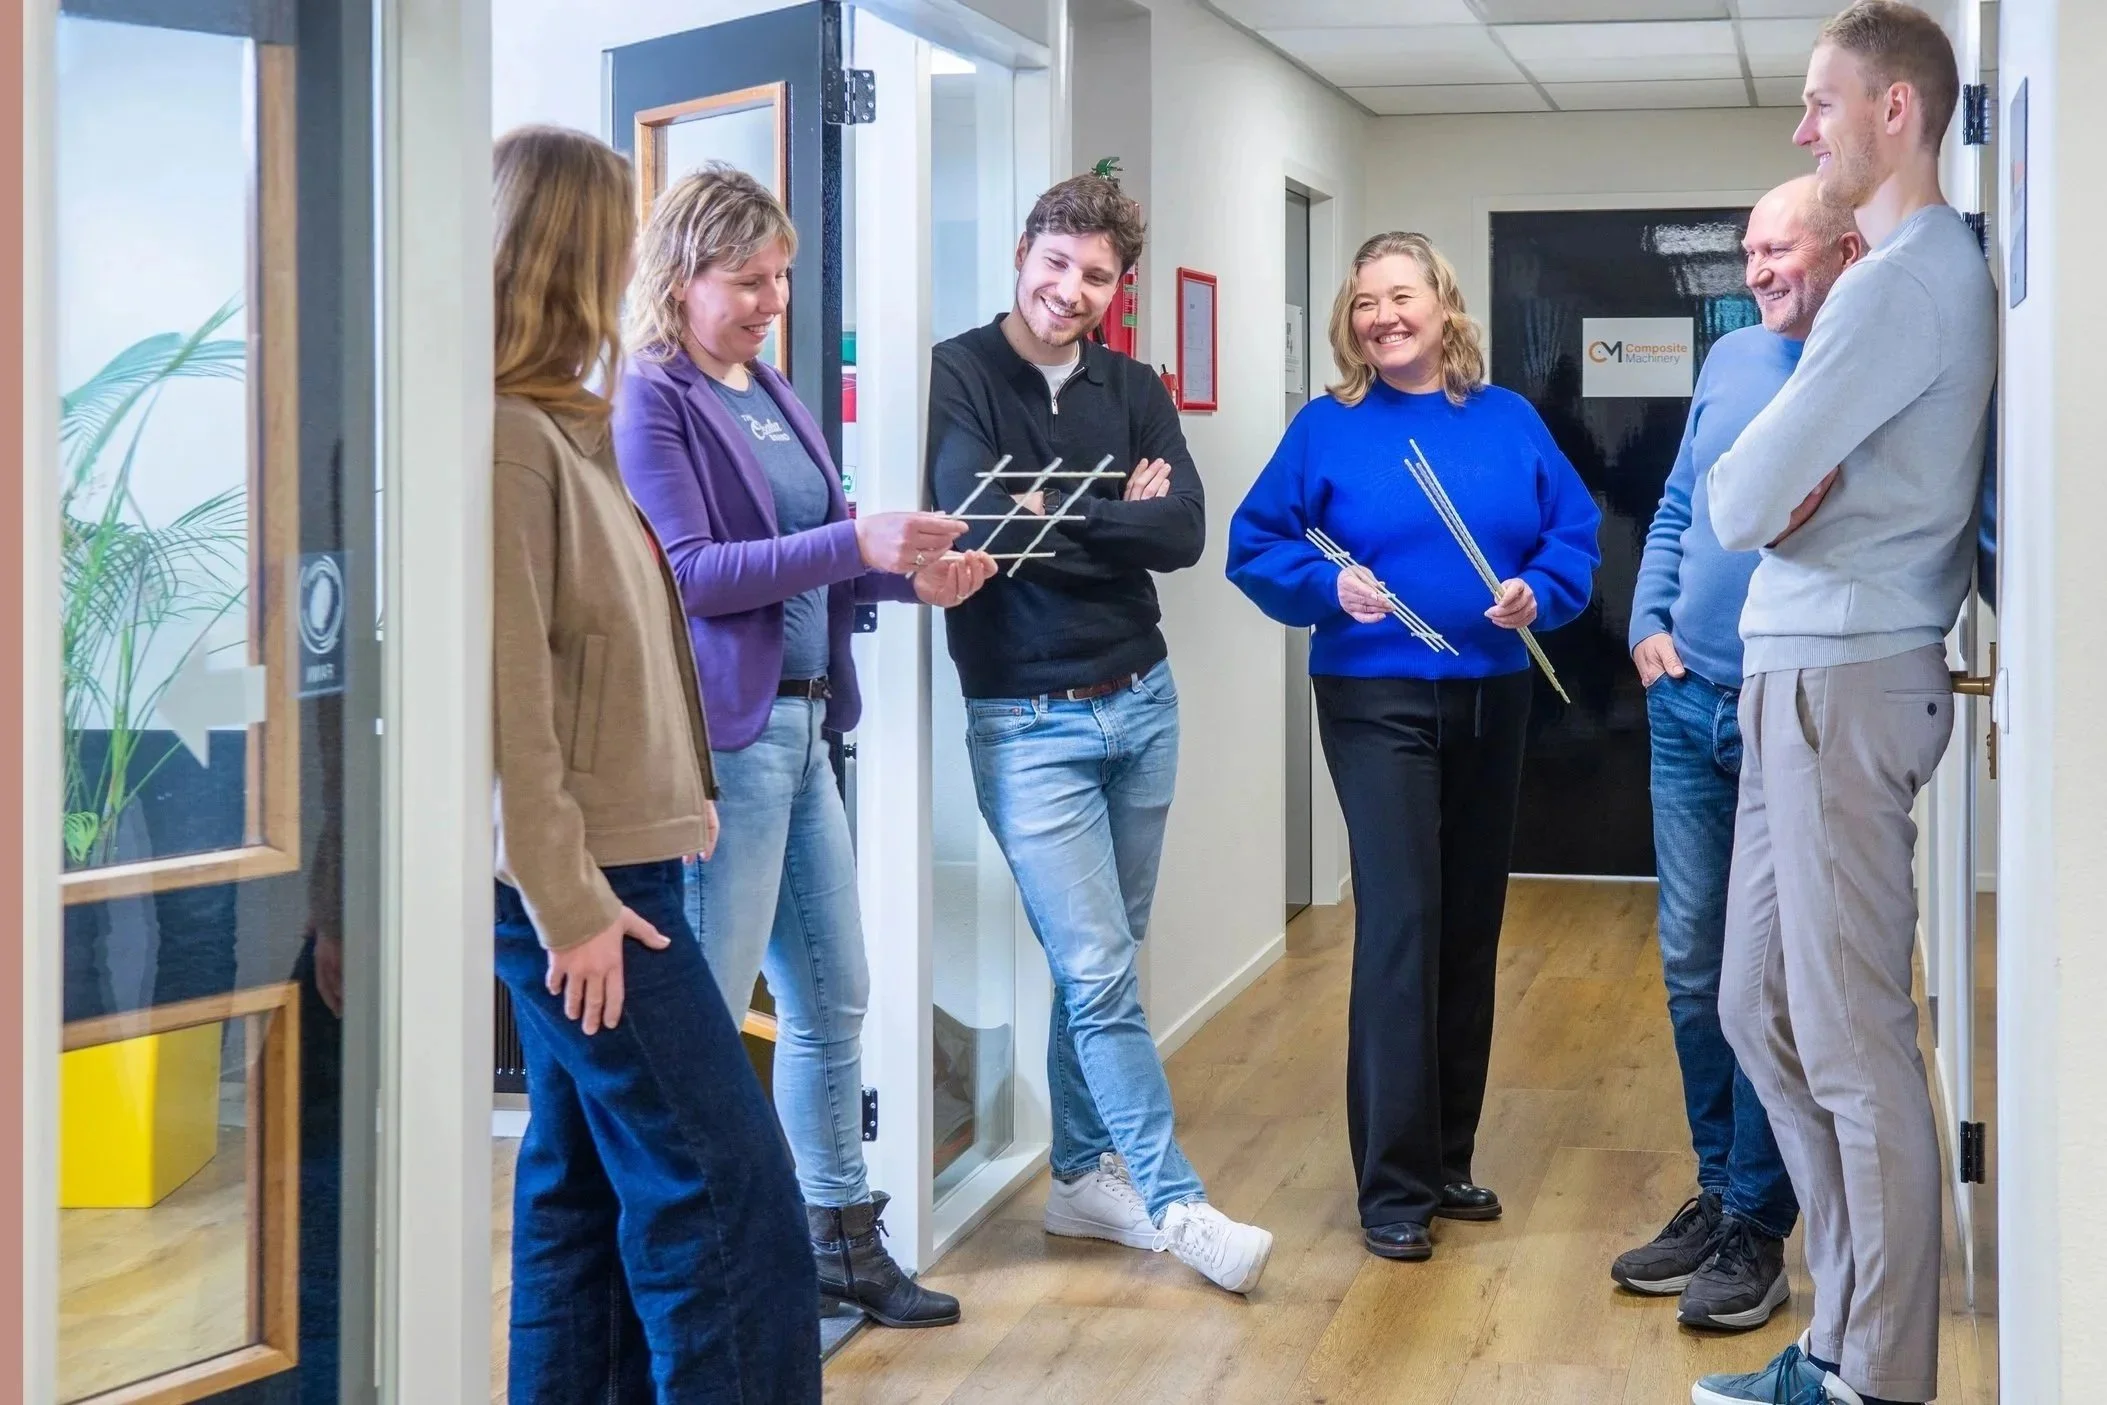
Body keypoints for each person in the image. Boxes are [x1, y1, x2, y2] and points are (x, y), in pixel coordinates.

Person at [614, 163, 993, 1330]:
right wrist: (854, 543)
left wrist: (908, 577)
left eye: (779, 277)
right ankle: (709, 1264)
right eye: (747, 280)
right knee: (707, 1018)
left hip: (807, 727)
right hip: (723, 747)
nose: (772, 301)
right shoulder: (651, 398)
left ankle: (838, 1242)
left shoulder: (770, 389)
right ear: (681, 275)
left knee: (836, 996)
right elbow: (689, 576)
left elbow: (816, 562)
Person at [1691, 6, 1996, 1404]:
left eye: (1821, 103)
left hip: (1841, 678)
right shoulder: (1905, 276)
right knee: (1757, 1006)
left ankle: (1873, 1377)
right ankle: (1836, 1329)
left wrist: (1765, 486)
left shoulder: (1898, 283)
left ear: (1895, 110)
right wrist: (1768, 486)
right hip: (1799, 675)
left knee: (1852, 1042)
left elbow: (1737, 497)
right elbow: (1752, 496)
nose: (1802, 127)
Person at [489, 127, 819, 1402]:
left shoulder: (561, 425)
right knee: (728, 1196)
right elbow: (507, 701)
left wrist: (682, 799)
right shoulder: (512, 439)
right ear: (567, 252)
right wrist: (569, 903)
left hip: (623, 861)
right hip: (593, 893)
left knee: (577, 1184)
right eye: (618, 239)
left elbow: (615, 650)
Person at [924, 173, 1273, 1294]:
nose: (1069, 290)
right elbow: (974, 517)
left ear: (1119, 287)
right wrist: (1109, 503)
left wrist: (1052, 507)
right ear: (1021, 252)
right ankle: (1174, 1203)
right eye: (1056, 263)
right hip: (1026, 720)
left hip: (1142, 701)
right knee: (1098, 969)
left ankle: (1080, 1176)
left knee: (1106, 959)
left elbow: (1182, 532)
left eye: (1096, 276)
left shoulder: (1133, 384)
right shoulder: (956, 372)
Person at [1226, 231, 1600, 1263]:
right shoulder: (1325, 427)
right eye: (1364, 304)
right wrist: (1323, 584)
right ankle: (1391, 1186)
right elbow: (1254, 545)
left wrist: (1539, 590)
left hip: (1494, 694)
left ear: (1442, 306)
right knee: (1401, 922)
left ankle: (1445, 1158)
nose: (1382, 317)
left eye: (1400, 297)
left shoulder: (1508, 419)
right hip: (1372, 696)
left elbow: (1569, 536)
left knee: (1469, 921)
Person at [1613, 174, 1863, 1331]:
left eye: (1780, 249)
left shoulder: (1862, 365)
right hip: (1686, 703)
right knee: (1691, 966)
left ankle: (1757, 1226)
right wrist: (1646, 619)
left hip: (1787, 708)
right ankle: (1719, 1193)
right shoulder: (1729, 360)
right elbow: (1678, 503)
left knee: (1762, 982)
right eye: (1749, 250)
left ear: (1844, 250)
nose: (1758, 269)